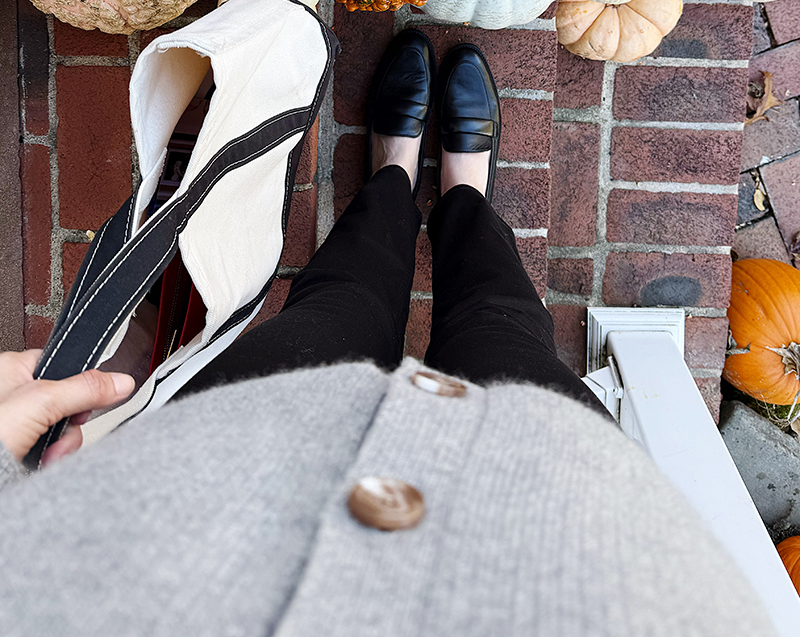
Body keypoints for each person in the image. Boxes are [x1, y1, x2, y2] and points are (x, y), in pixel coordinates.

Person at [0, 32, 776, 635]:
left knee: (333, 307)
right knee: (505, 324)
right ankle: (462, 198)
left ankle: (393, 184)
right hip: (568, 517)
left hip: (217, 480)